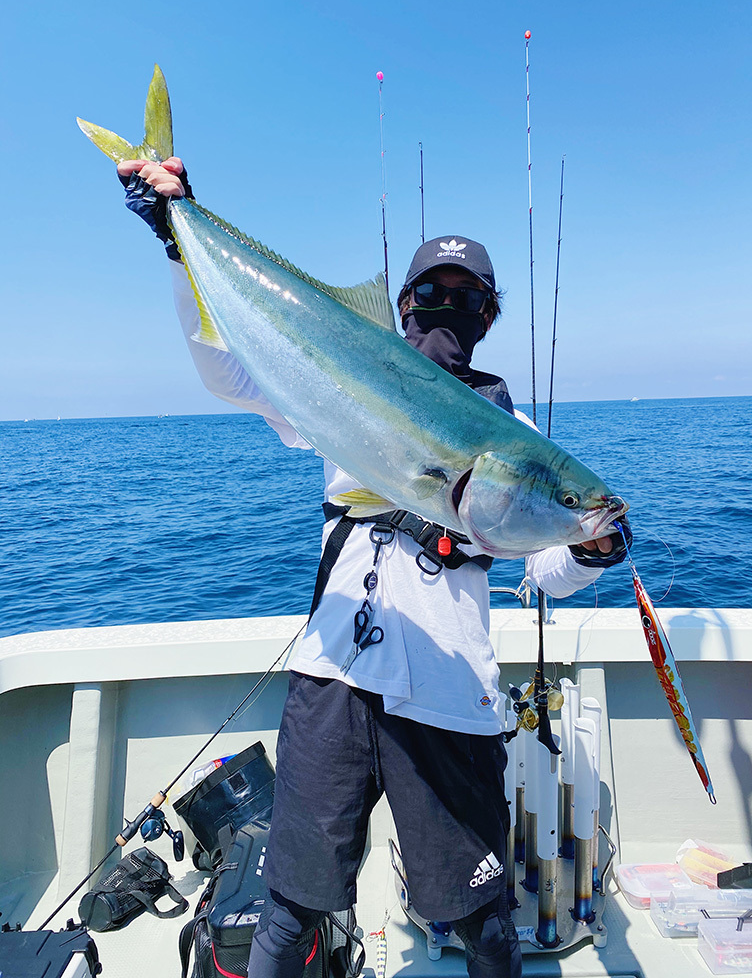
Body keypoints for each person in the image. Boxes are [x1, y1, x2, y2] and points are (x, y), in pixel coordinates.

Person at [117, 156, 629, 978]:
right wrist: (180, 237)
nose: (449, 310)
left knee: (482, 917)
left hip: (451, 696)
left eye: (468, 300)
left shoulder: (515, 434)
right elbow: (227, 369)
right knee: (293, 904)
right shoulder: (341, 378)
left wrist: (593, 548)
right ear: (403, 305)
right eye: (433, 294)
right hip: (334, 678)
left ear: (489, 318)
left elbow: (548, 570)